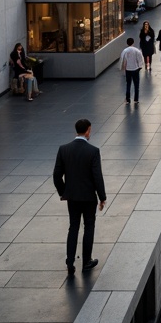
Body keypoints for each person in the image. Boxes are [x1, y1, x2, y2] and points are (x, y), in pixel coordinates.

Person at [52, 118, 108, 275]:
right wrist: (102, 196)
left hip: (72, 198)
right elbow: (97, 176)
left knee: (73, 227)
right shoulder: (93, 151)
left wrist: (64, 192)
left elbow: (57, 175)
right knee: (89, 227)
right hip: (89, 198)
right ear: (88, 130)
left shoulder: (64, 149)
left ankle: (70, 262)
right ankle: (86, 261)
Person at [120, 36, 144, 103]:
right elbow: (140, 60)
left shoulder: (125, 51)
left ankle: (127, 99)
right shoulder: (137, 50)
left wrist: (123, 69)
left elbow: (123, 60)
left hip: (128, 70)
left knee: (128, 84)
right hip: (135, 69)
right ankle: (136, 99)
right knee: (136, 85)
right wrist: (139, 67)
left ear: (127, 43)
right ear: (133, 42)